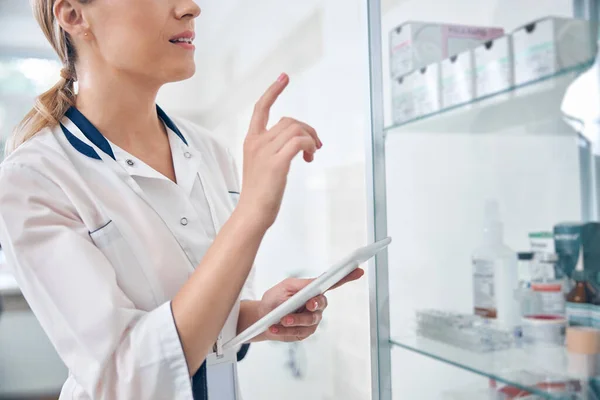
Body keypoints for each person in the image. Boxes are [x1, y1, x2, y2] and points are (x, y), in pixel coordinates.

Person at [0, 1, 364, 399]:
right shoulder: (33, 179)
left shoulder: (209, 150)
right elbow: (126, 377)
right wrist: (251, 214)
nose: (192, 7)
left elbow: (204, 319)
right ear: (74, 16)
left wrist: (259, 315)